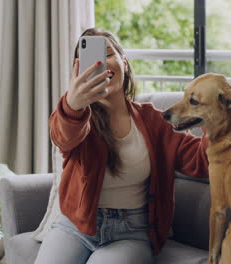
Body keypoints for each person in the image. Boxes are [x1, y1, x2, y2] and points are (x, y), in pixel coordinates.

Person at [35, 28, 209, 264]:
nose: (101, 63)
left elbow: (202, 161)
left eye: (108, 54)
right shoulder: (78, 117)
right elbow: (63, 137)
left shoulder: (154, 122)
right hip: (74, 226)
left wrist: (212, 116)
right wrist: (72, 105)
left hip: (131, 233)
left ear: (124, 63)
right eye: (91, 60)